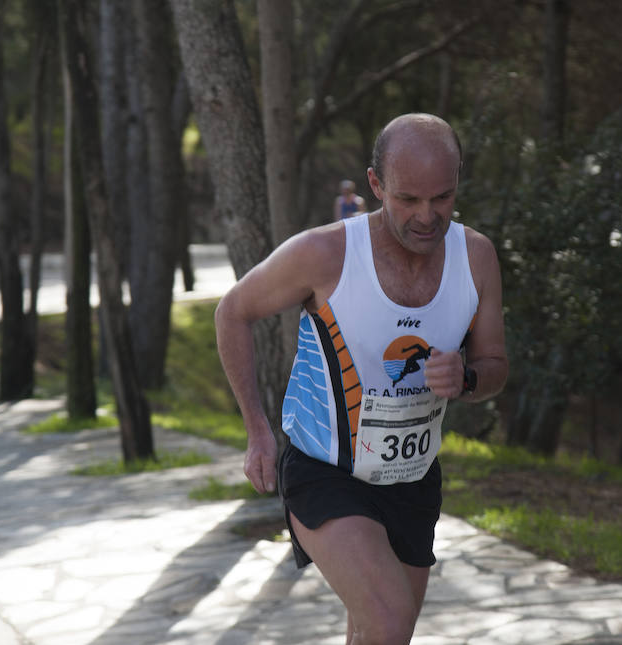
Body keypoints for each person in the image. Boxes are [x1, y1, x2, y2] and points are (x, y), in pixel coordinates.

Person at [215, 113, 508, 645]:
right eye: (408, 199)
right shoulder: (324, 254)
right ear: (375, 185)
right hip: (325, 473)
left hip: (413, 478)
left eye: (441, 198)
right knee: (390, 619)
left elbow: (495, 368)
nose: (426, 216)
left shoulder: (478, 257)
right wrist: (257, 428)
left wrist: (465, 378)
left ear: (459, 180)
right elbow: (232, 311)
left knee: (380, 633)